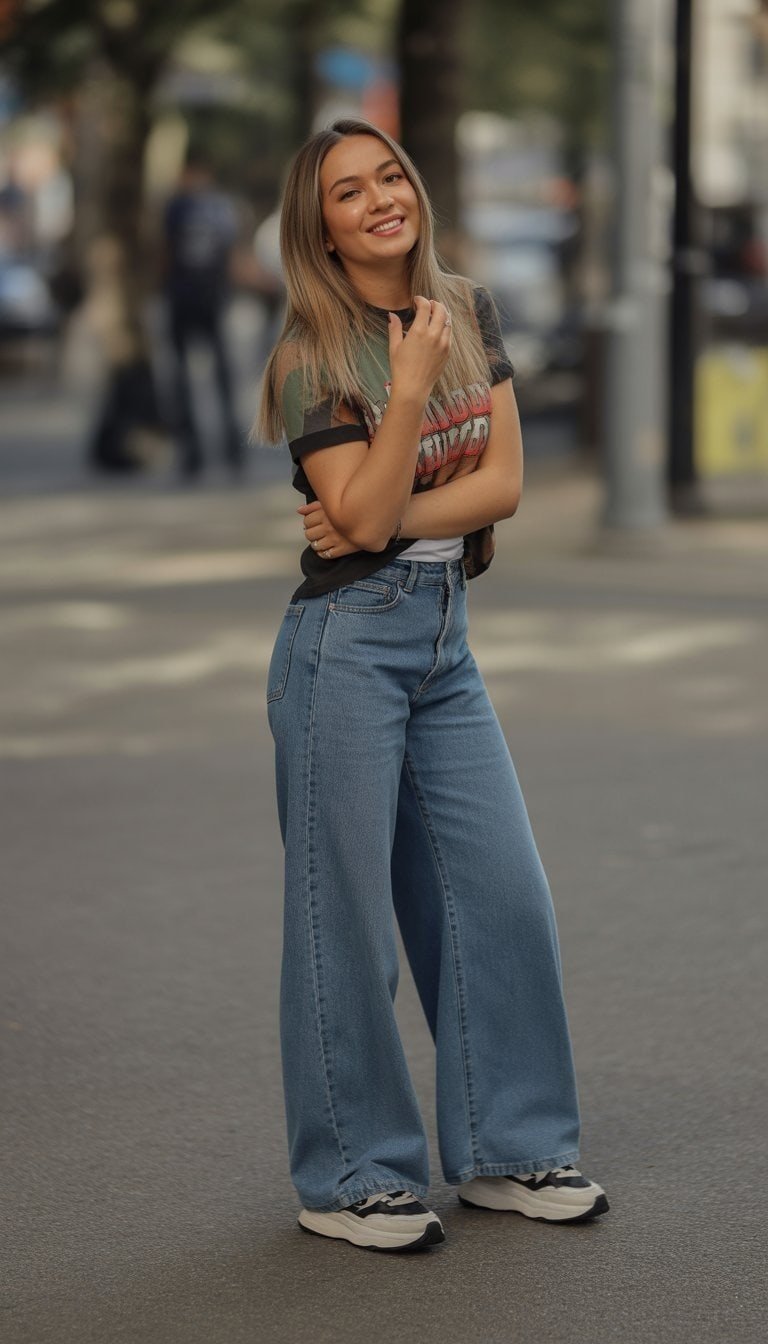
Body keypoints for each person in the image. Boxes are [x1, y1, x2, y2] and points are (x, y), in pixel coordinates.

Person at [258, 118, 609, 1253]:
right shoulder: (310, 354)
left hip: (444, 639)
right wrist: (406, 389)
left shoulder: (468, 308)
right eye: (347, 192)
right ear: (321, 228)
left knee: (502, 894)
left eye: (389, 177)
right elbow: (355, 530)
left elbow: (499, 486)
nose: (379, 201)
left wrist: (378, 510)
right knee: (345, 922)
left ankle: (509, 1147)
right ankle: (351, 1174)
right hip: (344, 646)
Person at [163, 152, 243, 479]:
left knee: (198, 376)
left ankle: (209, 448)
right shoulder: (215, 207)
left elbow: (165, 251)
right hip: (200, 297)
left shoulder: (183, 207)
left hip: (194, 297)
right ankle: (219, 448)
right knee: (210, 376)